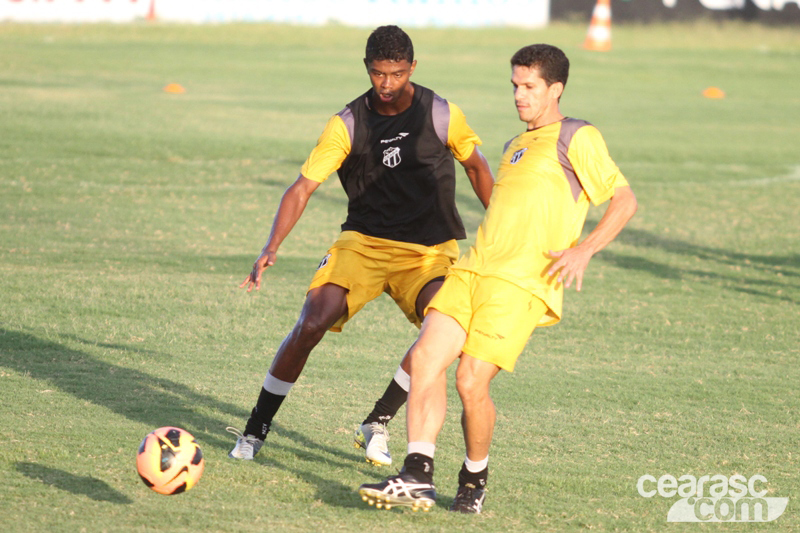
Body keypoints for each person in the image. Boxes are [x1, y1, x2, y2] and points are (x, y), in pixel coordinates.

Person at [357, 43, 638, 514]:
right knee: (426, 358)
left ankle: (474, 476)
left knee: (470, 381)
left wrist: (584, 249)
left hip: (521, 283)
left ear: (556, 89)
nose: (519, 96)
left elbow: (624, 200)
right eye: (515, 86)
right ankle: (417, 474)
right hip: (472, 270)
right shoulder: (515, 146)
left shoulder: (577, 136)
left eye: (529, 87)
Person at [227, 25, 494, 464]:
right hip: (363, 245)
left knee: (444, 332)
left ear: (412, 68)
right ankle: (256, 428)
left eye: (396, 73)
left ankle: (377, 421)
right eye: (377, 73)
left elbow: (478, 169)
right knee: (313, 320)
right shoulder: (347, 124)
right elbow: (302, 187)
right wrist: (271, 245)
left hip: (428, 253)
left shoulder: (442, 114)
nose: (387, 84)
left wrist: (502, 232)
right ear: (366, 68)